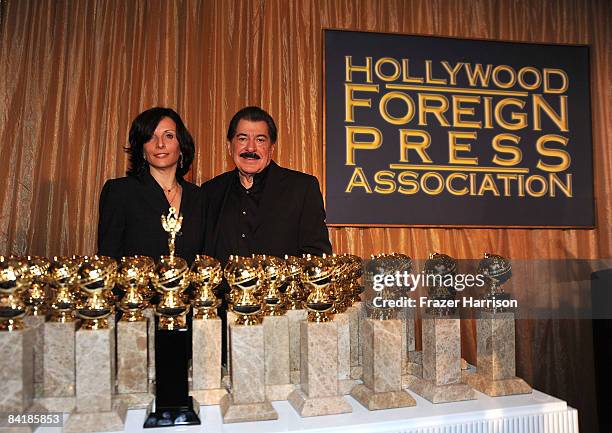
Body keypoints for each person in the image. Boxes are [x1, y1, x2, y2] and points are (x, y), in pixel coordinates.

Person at [201, 105, 332, 264]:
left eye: (260, 140)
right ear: (229, 146)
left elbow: (316, 257)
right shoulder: (210, 192)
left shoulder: (302, 189)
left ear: (271, 148)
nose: (250, 147)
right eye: (242, 138)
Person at [97, 107, 204, 263]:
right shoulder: (119, 192)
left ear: (181, 146)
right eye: (150, 137)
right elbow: (108, 260)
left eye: (168, 136)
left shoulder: (199, 197)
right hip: (135, 287)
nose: (160, 144)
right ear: (142, 149)